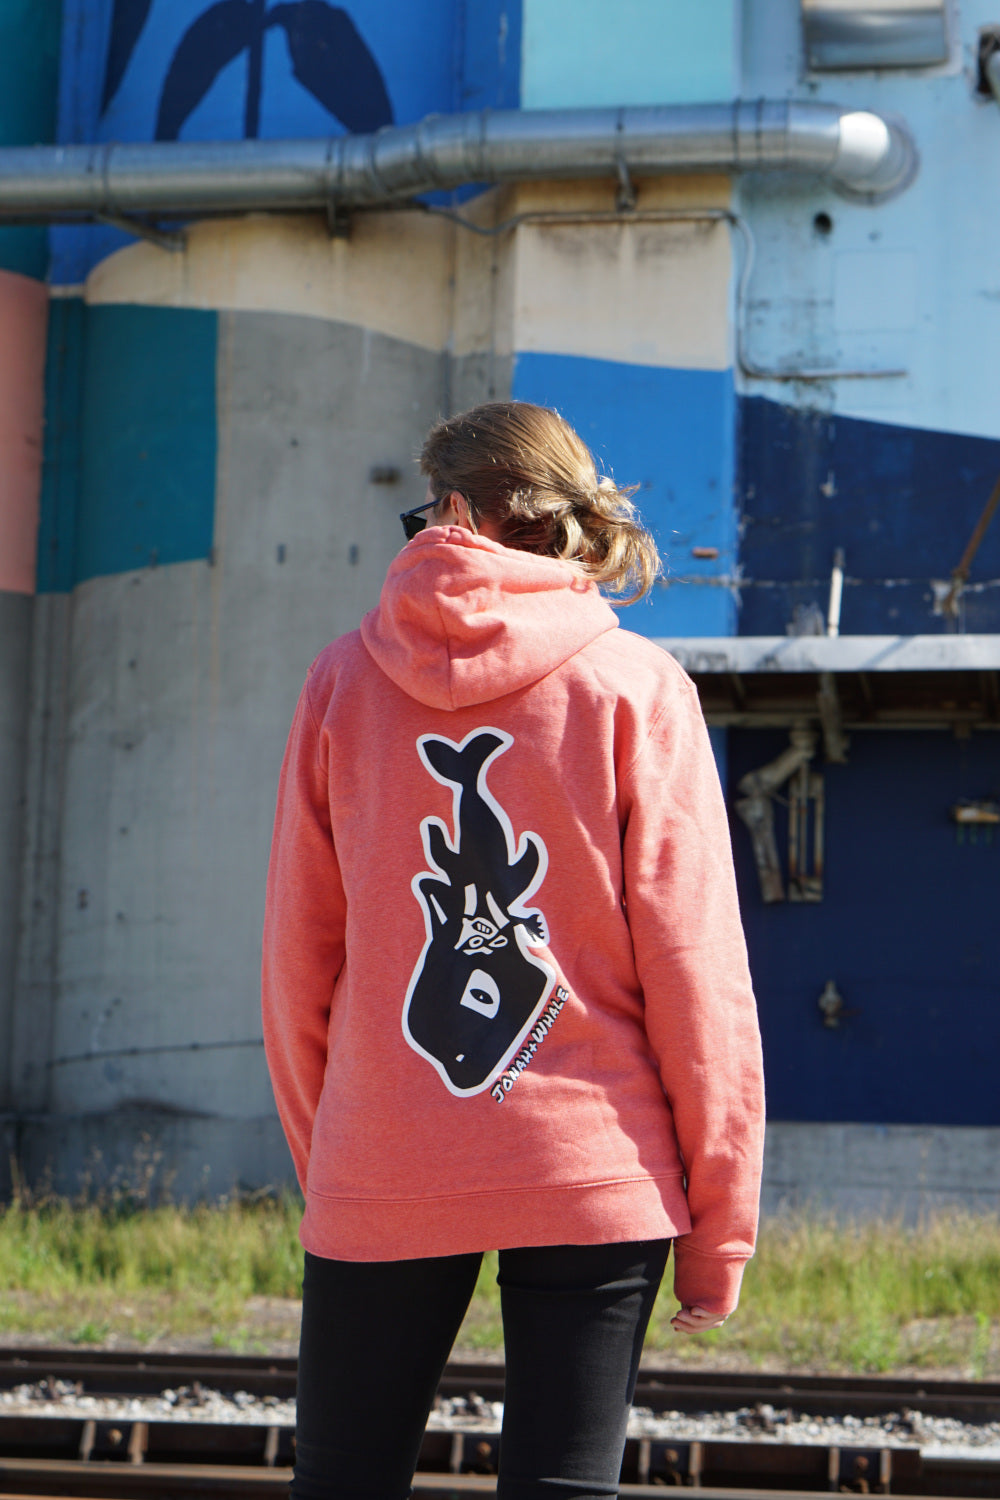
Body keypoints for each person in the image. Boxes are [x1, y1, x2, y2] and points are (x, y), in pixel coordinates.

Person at [262, 401, 765, 1500]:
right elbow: (697, 976)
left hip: (384, 1155)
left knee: (343, 1482)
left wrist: (339, 1166)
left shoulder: (341, 683)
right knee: (562, 1487)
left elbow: (299, 963)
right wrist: (720, 1222)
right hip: (593, 1165)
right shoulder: (635, 687)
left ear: (449, 510)